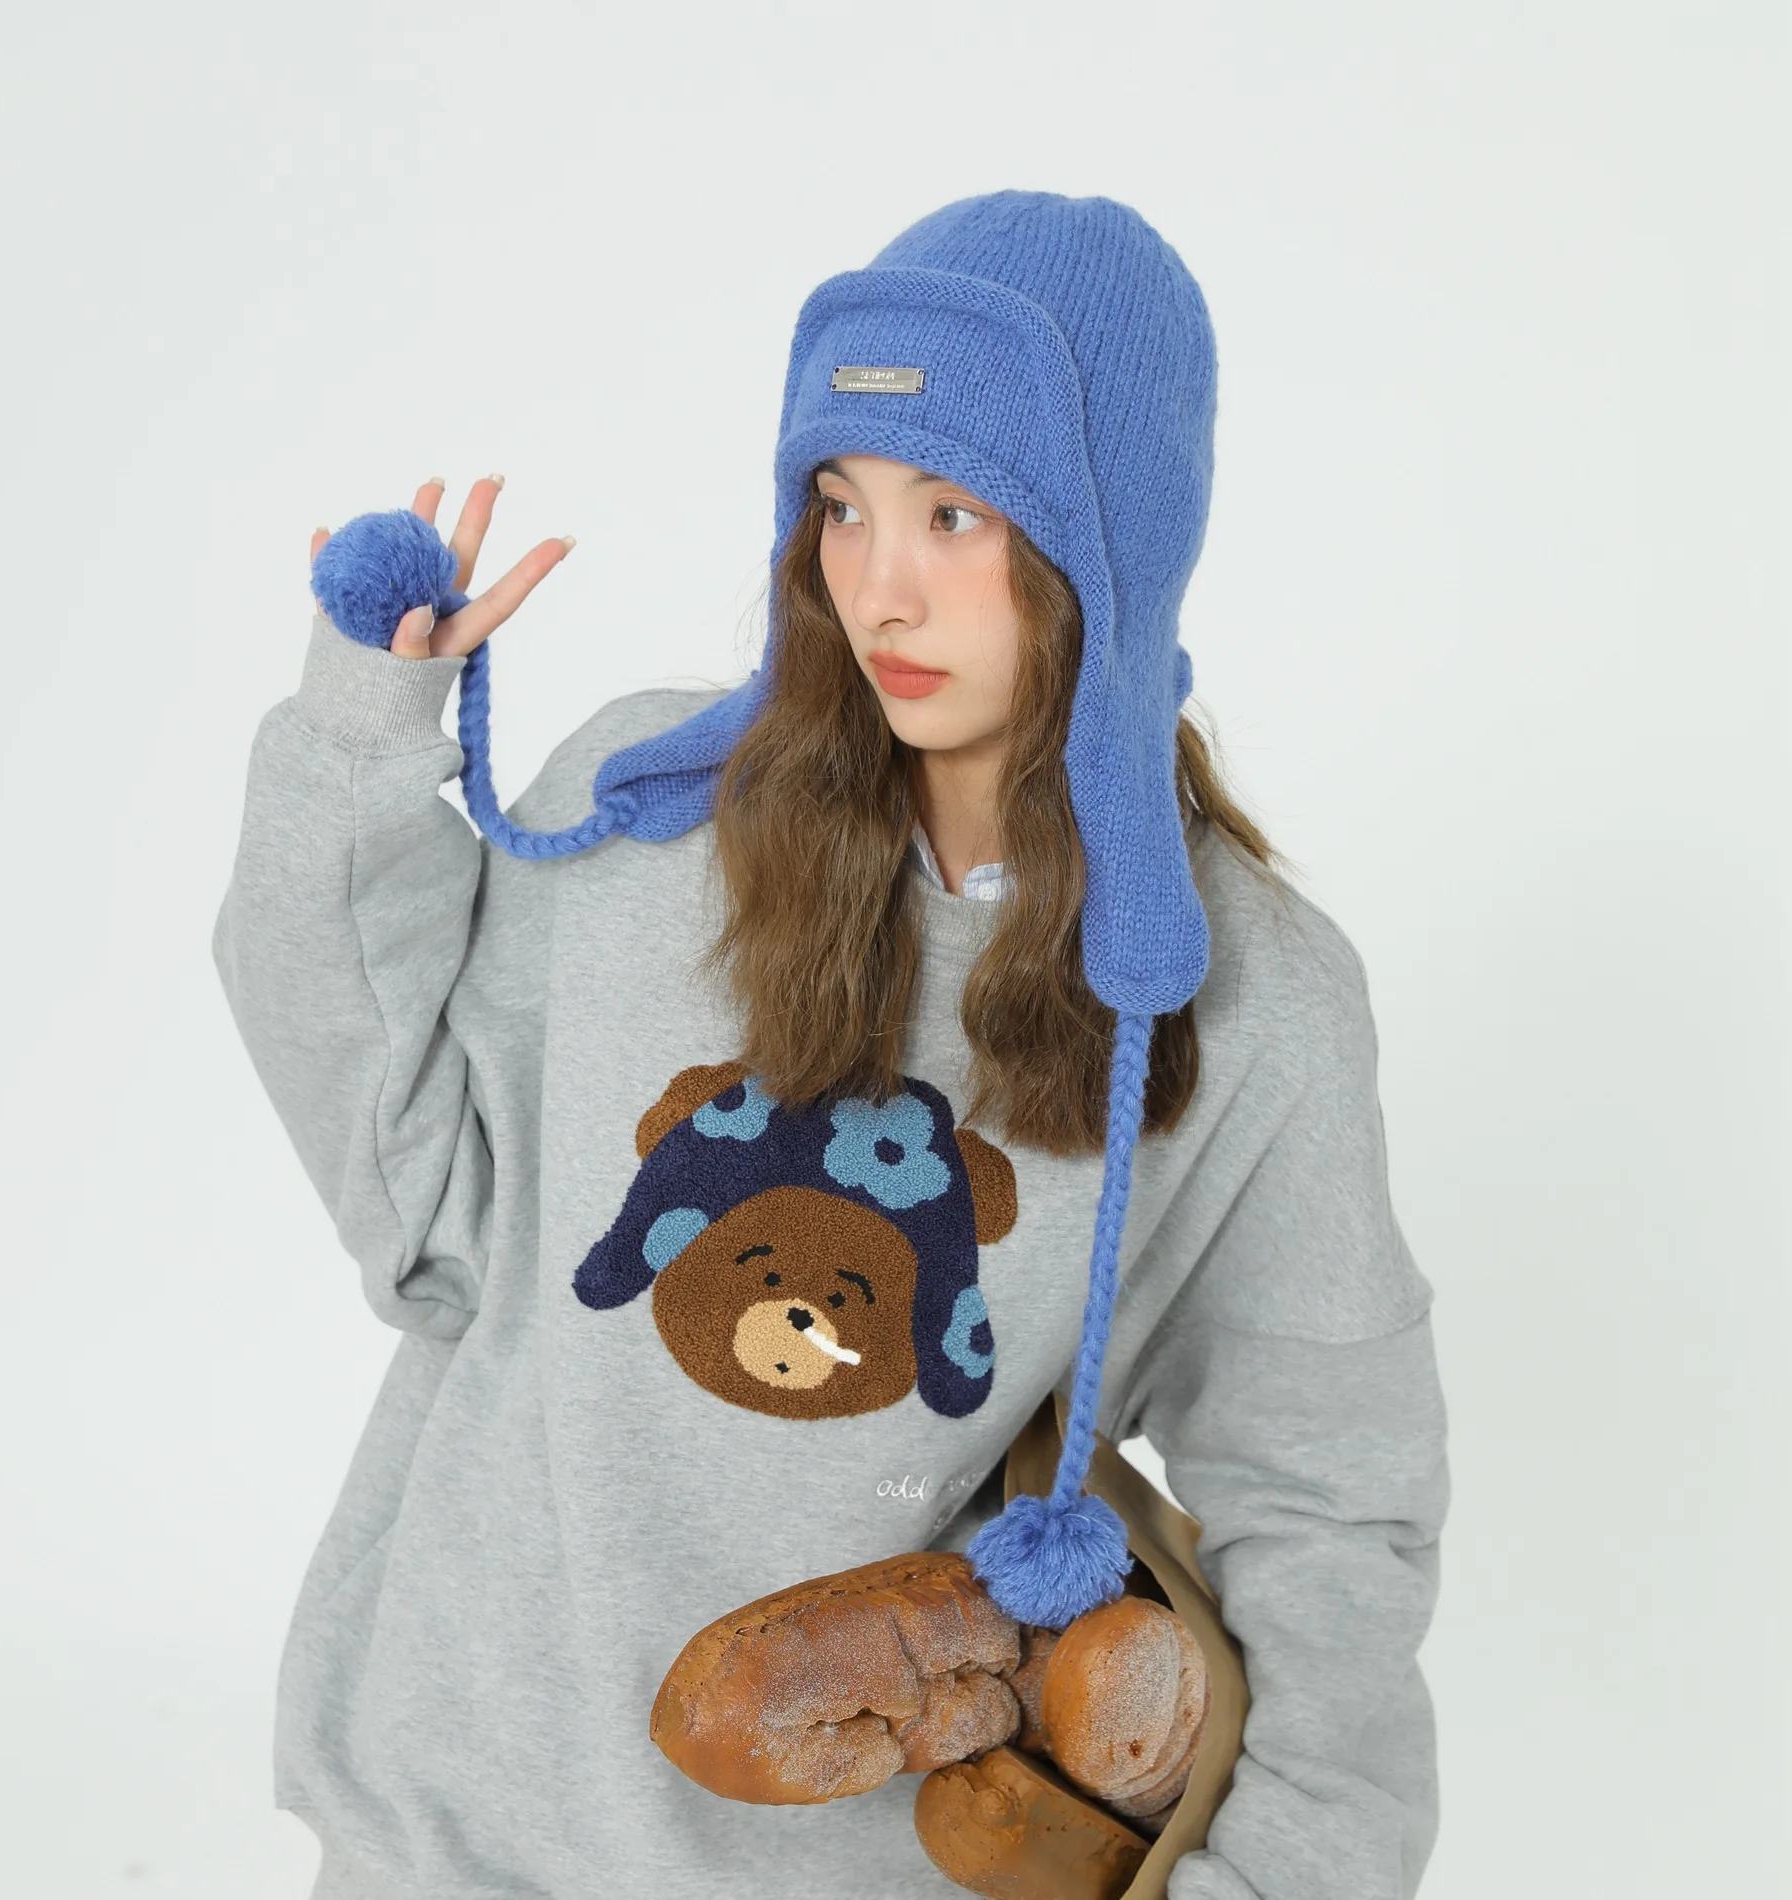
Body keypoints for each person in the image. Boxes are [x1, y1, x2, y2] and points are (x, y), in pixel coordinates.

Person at [212, 191, 1450, 1900]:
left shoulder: (1249, 1004)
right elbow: (416, 1205)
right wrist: (362, 738)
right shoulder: (643, 819)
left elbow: (1329, 1508)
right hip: (456, 1823)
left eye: (956, 515)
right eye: (841, 505)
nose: (880, 589)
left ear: (1111, 545)